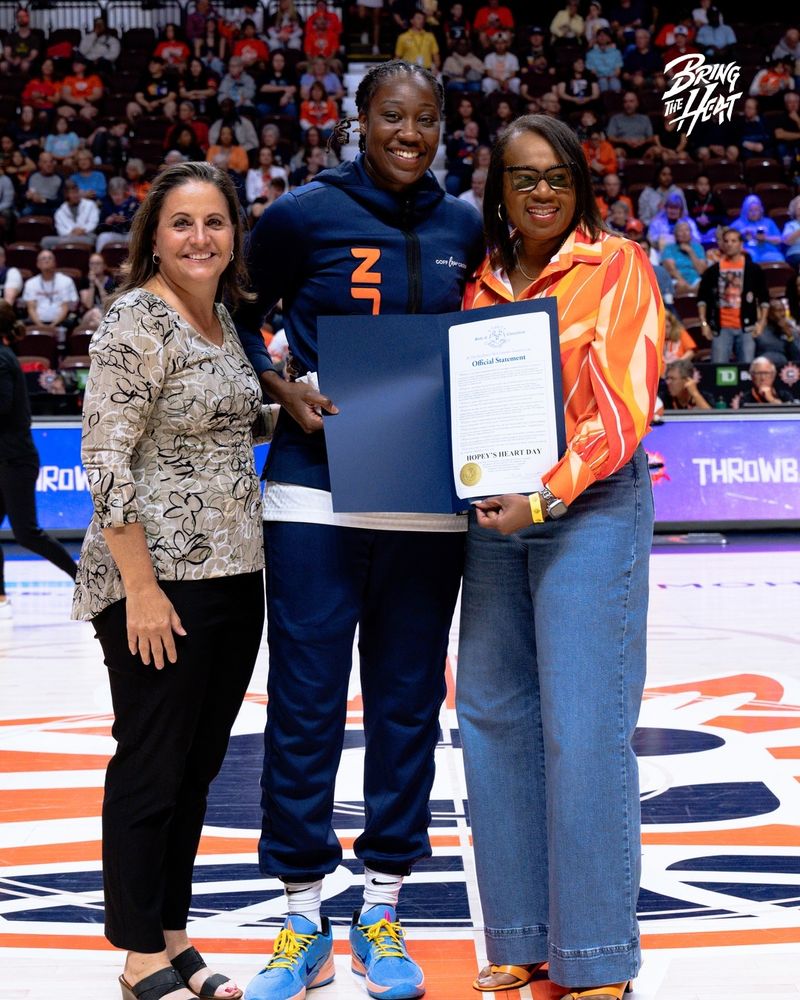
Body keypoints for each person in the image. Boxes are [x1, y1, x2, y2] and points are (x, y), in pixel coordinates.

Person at [235, 59, 484, 1000]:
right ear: (361, 120)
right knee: (304, 703)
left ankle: (382, 905)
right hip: (313, 492)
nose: (408, 134)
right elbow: (237, 312)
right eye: (392, 116)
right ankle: (302, 917)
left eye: (424, 118)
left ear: (441, 126)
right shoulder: (301, 214)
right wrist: (278, 386)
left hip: (423, 494)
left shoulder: (466, 222)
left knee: (408, 705)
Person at [456, 113, 663, 1000]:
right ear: (496, 191)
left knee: (583, 729)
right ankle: (521, 935)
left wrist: (544, 493)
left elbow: (623, 406)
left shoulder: (617, 263)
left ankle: (597, 956)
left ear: (580, 183)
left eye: (556, 177)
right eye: (521, 178)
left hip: (587, 507)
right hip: (494, 513)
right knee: (494, 719)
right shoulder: (480, 283)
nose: (540, 192)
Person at [71, 161, 270, 1000]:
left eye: (215, 222)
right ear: (154, 233)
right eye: (182, 223)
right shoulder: (134, 321)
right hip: (158, 583)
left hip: (235, 572)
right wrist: (142, 588)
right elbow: (105, 457)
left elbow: (218, 416)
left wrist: (283, 398)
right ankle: (137, 953)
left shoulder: (221, 316)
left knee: (197, 766)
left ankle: (174, 934)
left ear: (234, 234)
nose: (200, 238)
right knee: (151, 763)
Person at [0, 301, 78, 621]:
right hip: (6, 458)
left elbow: (2, 407)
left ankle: (83, 578)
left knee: (26, 532)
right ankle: (1, 593)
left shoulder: (2, 360)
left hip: (14, 459)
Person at [697, 228, 769, 363]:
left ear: (741, 244)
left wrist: (762, 322)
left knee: (747, 369)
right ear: (722, 244)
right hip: (721, 327)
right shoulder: (712, 271)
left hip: (747, 327)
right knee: (718, 371)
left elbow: (764, 298)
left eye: (733, 241)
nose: (729, 244)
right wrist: (704, 323)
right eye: (726, 241)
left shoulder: (753, 270)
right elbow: (702, 299)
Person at [660, 220, 707, 293]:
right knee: (680, 286)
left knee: (704, 285)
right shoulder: (669, 248)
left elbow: (701, 271)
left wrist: (691, 252)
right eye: (680, 231)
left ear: (691, 233)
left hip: (696, 279)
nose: (684, 233)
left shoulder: (698, 247)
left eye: (687, 230)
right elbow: (671, 270)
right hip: (677, 280)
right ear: (675, 234)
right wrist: (683, 282)